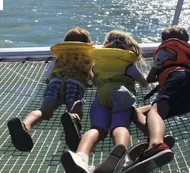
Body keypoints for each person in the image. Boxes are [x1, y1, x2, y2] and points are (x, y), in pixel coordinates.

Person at [60, 30, 148, 173]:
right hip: (122, 96)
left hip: (102, 96)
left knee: (97, 129)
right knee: (120, 126)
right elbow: (143, 83)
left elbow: (95, 82)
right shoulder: (127, 65)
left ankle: (81, 158)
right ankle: (122, 160)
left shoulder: (98, 64)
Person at [122, 25, 190, 173]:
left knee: (155, 112)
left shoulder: (164, 51)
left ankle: (156, 145)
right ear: (186, 40)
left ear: (164, 40)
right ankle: (157, 139)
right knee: (135, 112)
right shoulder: (186, 52)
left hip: (177, 78)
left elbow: (150, 78)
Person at [7, 27, 94, 152]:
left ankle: (25, 125)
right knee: (75, 107)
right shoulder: (88, 59)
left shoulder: (59, 58)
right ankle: (73, 118)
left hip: (55, 82)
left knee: (44, 111)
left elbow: (47, 75)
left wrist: (50, 80)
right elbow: (93, 76)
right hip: (75, 83)